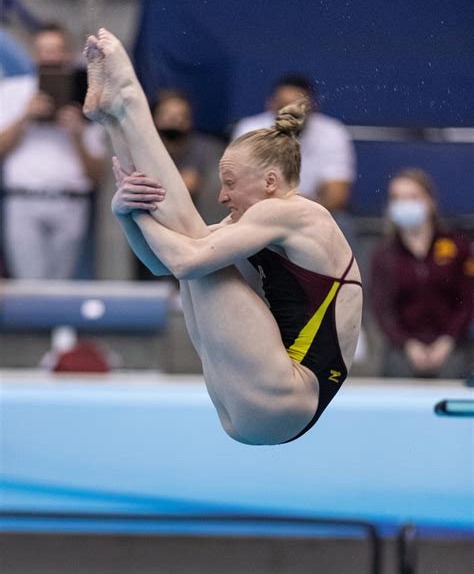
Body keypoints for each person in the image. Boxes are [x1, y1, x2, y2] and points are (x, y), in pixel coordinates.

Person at [83, 28, 362, 446]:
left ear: (270, 180)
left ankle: (130, 106)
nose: (222, 195)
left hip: (288, 393)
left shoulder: (296, 213)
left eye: (230, 182)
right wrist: (124, 212)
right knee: (187, 240)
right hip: (263, 405)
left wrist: (135, 216)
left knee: (192, 240)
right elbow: (162, 262)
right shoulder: (255, 225)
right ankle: (115, 117)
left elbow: (184, 258)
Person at [0, 24, 106, 279]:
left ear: (69, 55)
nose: (50, 57)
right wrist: (25, 116)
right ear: (34, 56)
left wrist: (77, 134)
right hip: (22, 201)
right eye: (44, 51)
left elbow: (97, 175)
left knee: (62, 290)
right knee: (30, 288)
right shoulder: (11, 92)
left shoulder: (87, 94)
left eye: (57, 50)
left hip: (70, 202)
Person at [370, 168, 473, 378]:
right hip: (403, 348)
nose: (404, 204)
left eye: (412, 197)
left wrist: (447, 340)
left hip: (452, 344)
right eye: (397, 198)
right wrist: (408, 344)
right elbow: (382, 309)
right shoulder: (383, 255)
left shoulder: (457, 246)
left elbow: (468, 300)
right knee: (397, 369)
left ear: (430, 201)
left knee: (456, 371)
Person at [232, 74, 356, 216]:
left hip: (313, 215)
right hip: (259, 214)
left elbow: (336, 197)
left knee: (341, 223)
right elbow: (241, 191)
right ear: (270, 104)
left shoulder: (333, 132)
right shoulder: (249, 130)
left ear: (313, 107)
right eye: (283, 106)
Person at [152, 89, 226, 224]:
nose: (174, 121)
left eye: (180, 116)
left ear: (190, 120)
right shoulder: (144, 149)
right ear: (154, 119)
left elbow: (196, 185)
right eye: (167, 116)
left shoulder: (208, 149)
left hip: (202, 224)